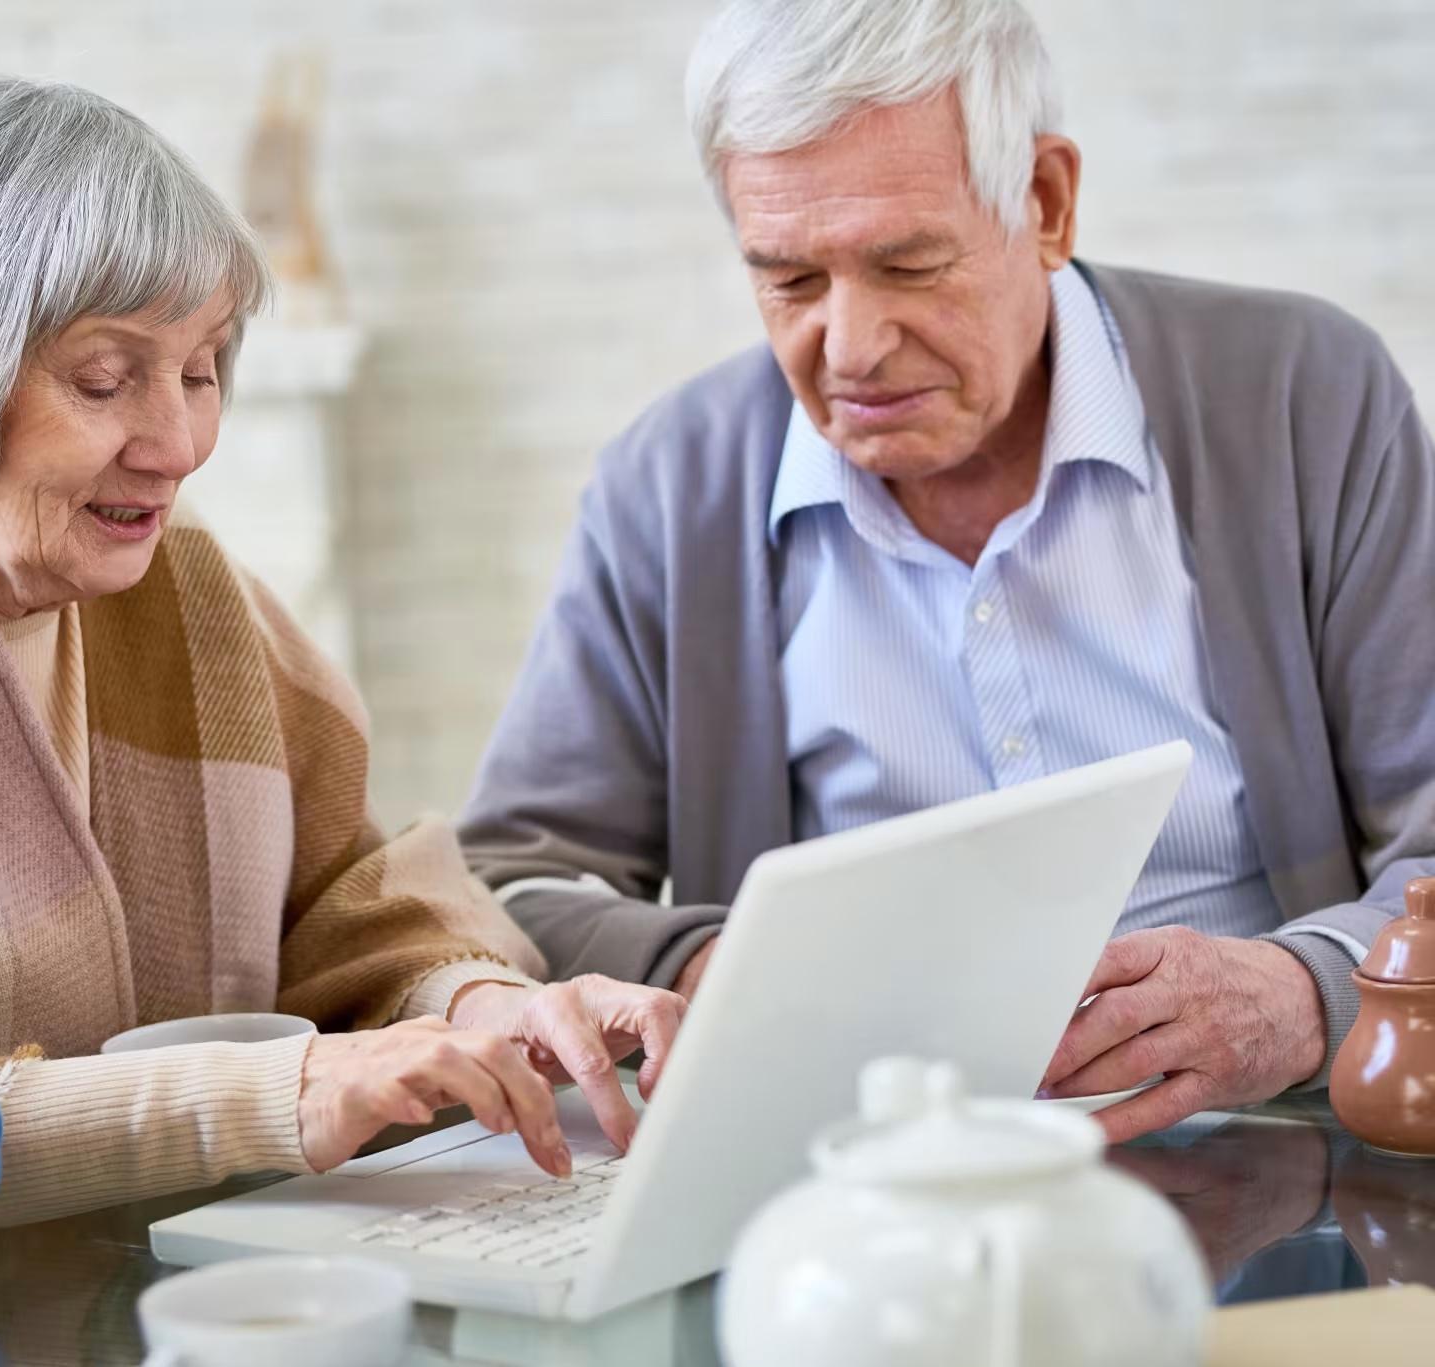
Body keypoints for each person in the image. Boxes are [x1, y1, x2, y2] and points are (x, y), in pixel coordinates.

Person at [459, 0, 1435, 1143]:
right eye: (788, 281)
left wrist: (1299, 993)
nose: (852, 346)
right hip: (860, 1181)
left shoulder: (1300, 398)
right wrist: (720, 961)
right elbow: (510, 887)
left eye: (907, 264)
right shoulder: (668, 485)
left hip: (1276, 1140)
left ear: (1045, 203)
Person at [0, 76, 685, 1228]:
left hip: (232, 1279)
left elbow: (349, 898)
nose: (180, 444)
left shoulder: (184, 587)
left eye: (200, 370)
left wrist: (479, 1002)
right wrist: (271, 1093)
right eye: (104, 378)